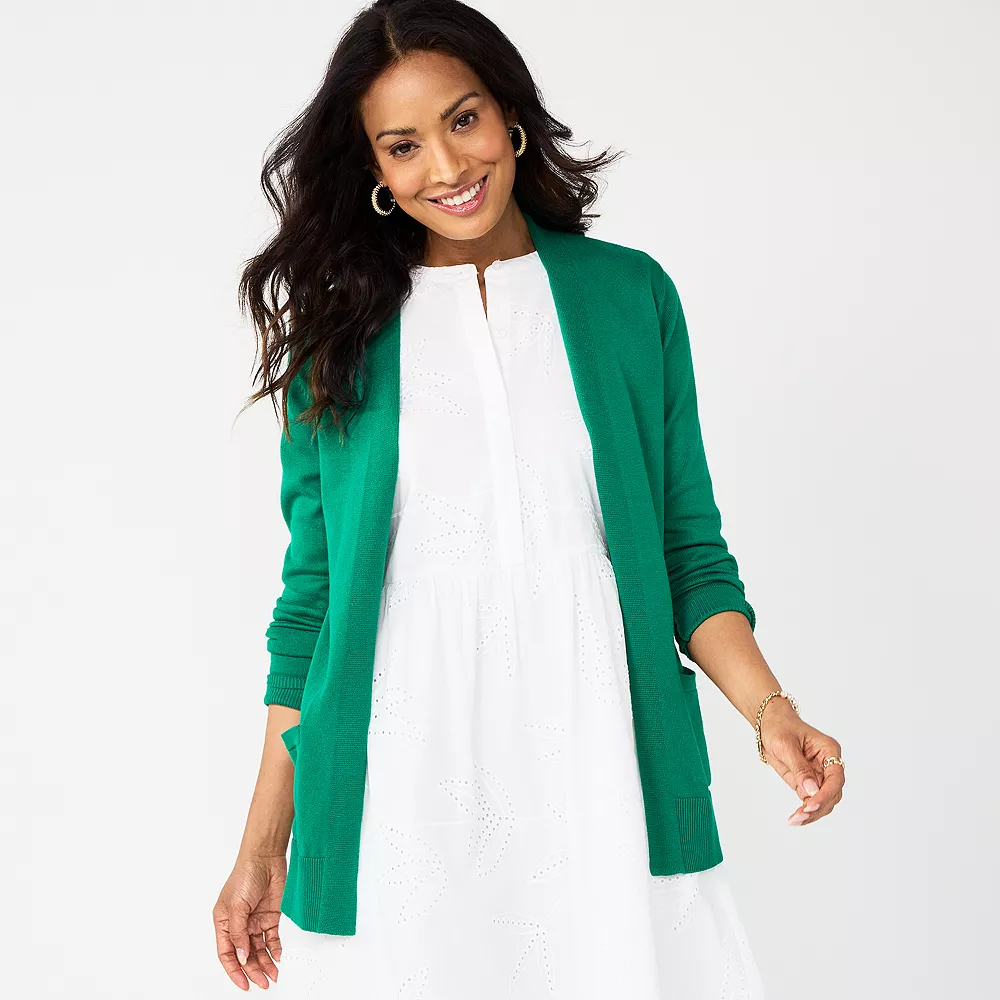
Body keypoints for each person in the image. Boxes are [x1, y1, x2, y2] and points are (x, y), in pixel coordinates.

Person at [213, 1, 846, 995]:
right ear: (374, 170)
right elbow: (312, 611)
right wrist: (262, 846)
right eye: (403, 145)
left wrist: (770, 711)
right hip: (404, 781)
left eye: (462, 120)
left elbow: (686, 550)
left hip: (600, 760)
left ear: (510, 116)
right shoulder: (338, 346)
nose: (446, 166)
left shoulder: (627, 296)